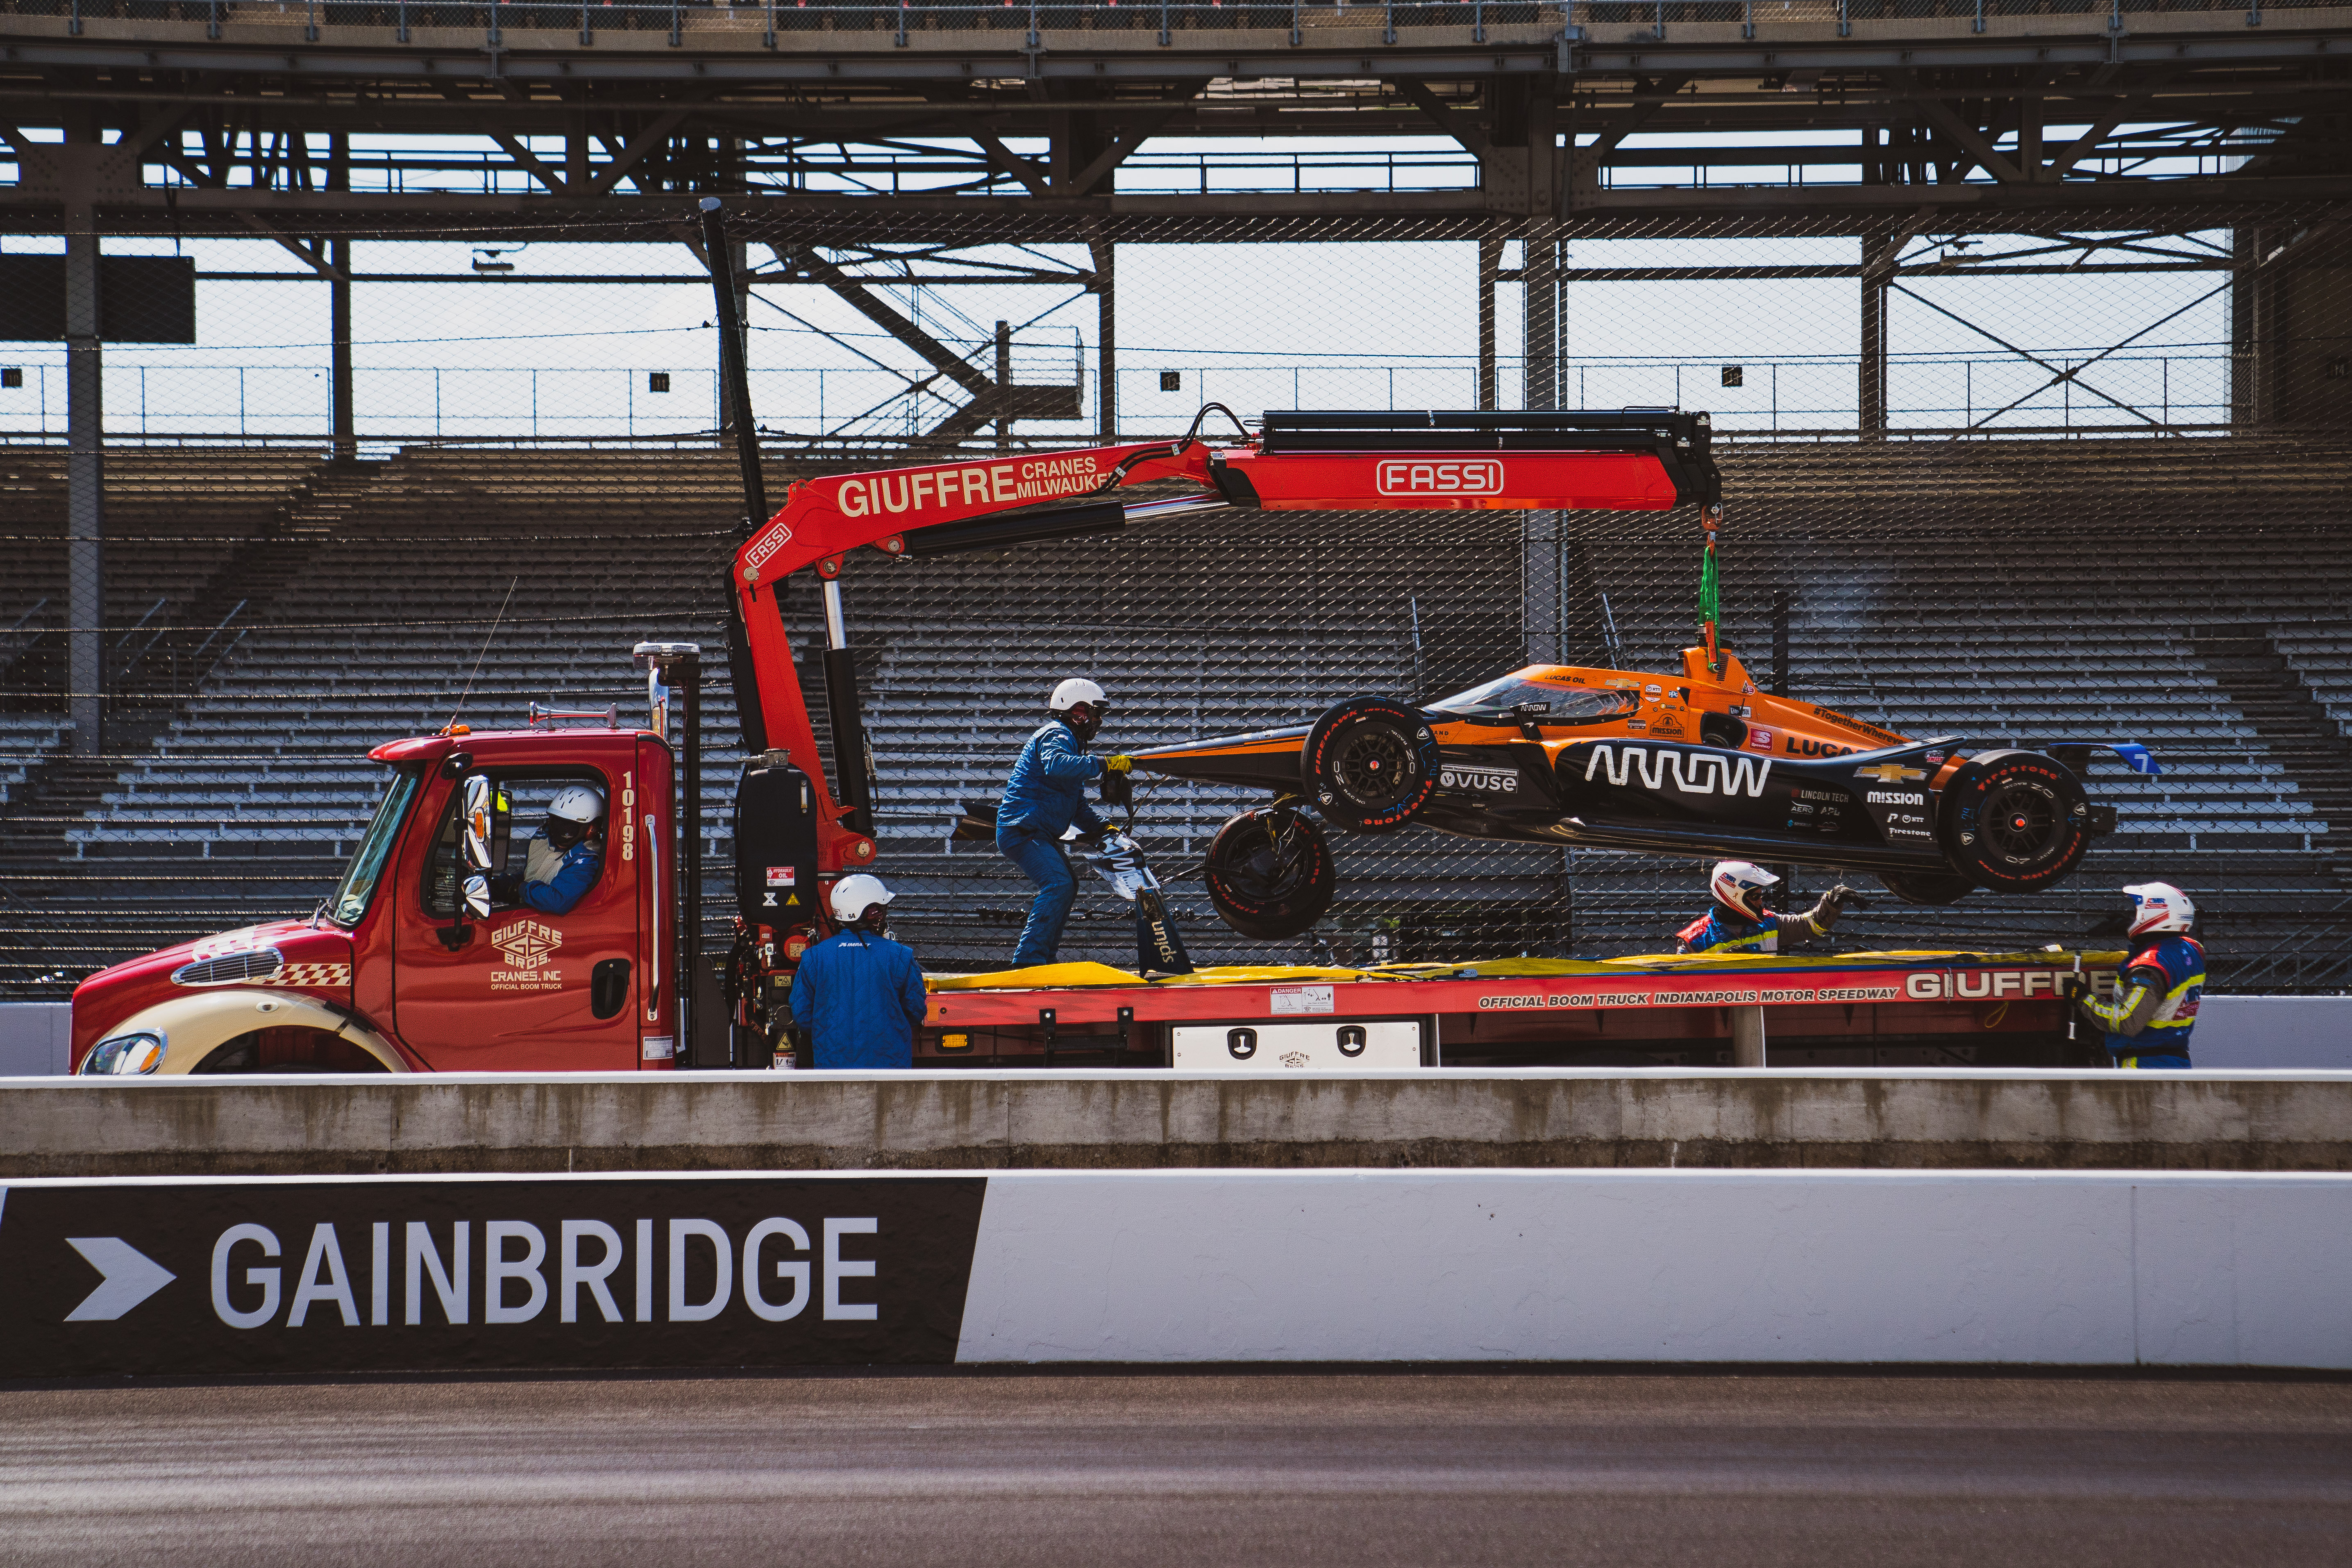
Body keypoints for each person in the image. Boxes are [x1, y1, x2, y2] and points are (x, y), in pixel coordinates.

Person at [997, 677, 1132, 967]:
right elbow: (1056, 765)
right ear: (1078, 711)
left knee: (1068, 885)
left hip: (1033, 830)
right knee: (1058, 884)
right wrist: (1105, 763)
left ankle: (1044, 958)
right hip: (1023, 829)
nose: (1098, 720)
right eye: (1096, 713)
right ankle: (1028, 962)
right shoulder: (1056, 733)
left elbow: (1077, 804)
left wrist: (1103, 826)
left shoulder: (1071, 743)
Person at [788, 874, 929, 1069]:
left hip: (832, 1066)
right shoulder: (900, 956)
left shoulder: (814, 957)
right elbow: (916, 1010)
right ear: (872, 913)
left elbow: (802, 1014)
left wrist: (830, 1033)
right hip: (889, 1067)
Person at [2069, 881, 2204, 1069]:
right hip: (2176, 1061)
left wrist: (2083, 998)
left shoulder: (2148, 967)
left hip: (2144, 1066)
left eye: (2136, 912)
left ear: (2153, 914)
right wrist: (2131, 931)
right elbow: (2168, 945)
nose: (2132, 917)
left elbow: (2128, 1020)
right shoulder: (2193, 950)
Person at [1678, 860, 1851, 955]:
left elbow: (1810, 927)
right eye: (1756, 896)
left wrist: (1832, 901)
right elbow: (1681, 987)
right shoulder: (1694, 940)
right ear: (1734, 894)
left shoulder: (1769, 923)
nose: (1761, 902)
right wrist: (1723, 964)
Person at [494, 784, 605, 915]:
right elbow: (532, 876)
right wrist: (502, 886)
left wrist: (521, 889)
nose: (561, 830)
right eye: (557, 821)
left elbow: (557, 901)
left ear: (592, 829)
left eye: (569, 826)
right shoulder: (542, 840)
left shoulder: (585, 860)